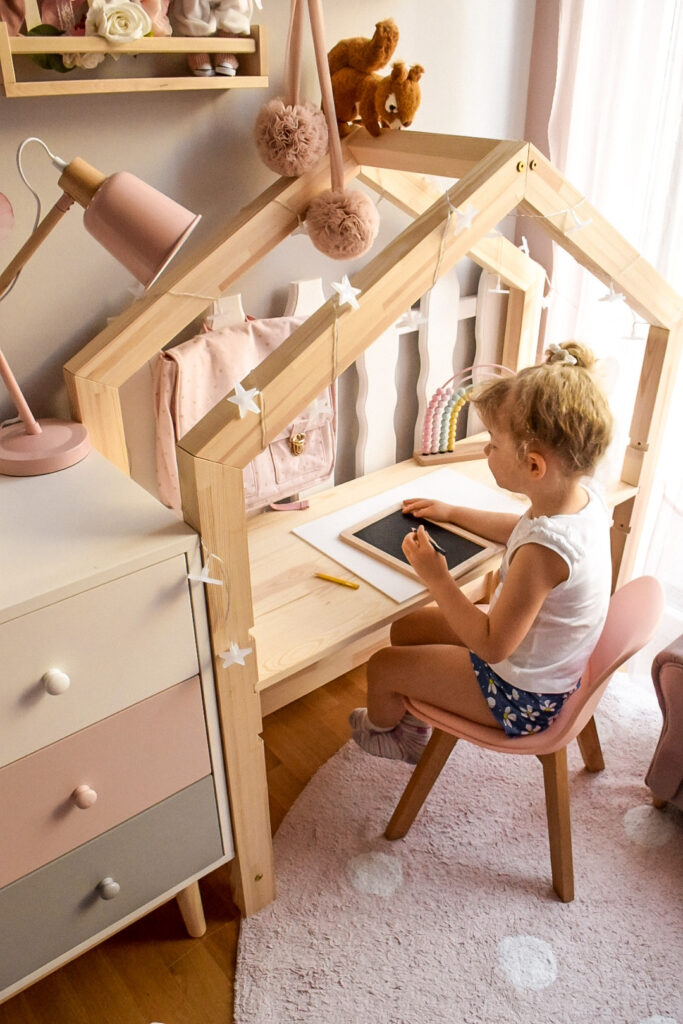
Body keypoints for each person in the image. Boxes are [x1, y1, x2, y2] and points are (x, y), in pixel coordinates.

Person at [350, 340, 614, 764]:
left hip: (520, 695)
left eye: (493, 442)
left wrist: (438, 577)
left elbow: (492, 646)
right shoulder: (582, 499)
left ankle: (394, 737)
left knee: (383, 666)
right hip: (541, 663)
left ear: (533, 465)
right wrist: (454, 512)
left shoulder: (543, 556)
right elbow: (520, 528)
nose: (487, 450)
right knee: (407, 629)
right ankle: (415, 711)